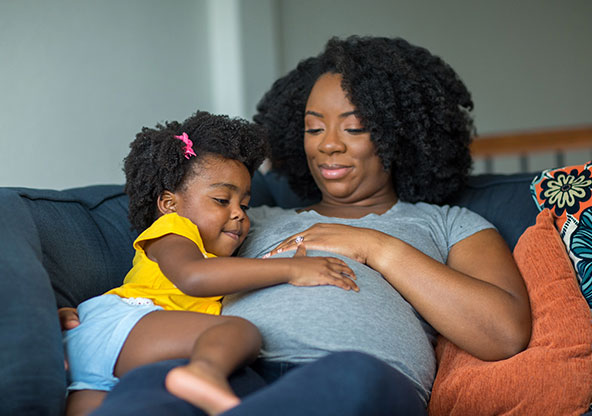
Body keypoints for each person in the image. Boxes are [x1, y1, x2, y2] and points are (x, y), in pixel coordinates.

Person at [61, 35, 532, 415]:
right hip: (225, 371)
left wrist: (376, 248)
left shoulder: (448, 224)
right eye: (313, 127)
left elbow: (503, 334)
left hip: (350, 380)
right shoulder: (243, 217)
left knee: (354, 378)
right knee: (150, 384)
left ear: (399, 131)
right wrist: (87, 320)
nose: (327, 145)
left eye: (353, 127)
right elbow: (165, 277)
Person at [61, 111, 358, 416]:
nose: (239, 214)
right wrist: (292, 269)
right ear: (169, 204)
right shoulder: (174, 231)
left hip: (103, 362)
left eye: (244, 204)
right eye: (221, 200)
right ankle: (205, 372)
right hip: (125, 324)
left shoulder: (212, 253)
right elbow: (194, 277)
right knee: (238, 331)